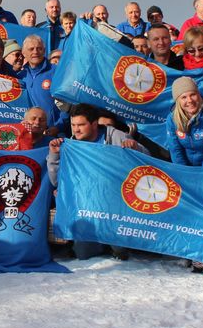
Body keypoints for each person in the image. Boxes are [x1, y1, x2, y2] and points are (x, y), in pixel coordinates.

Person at [47, 103, 145, 260]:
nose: (76, 130)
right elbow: (56, 181)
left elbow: (148, 163)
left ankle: (117, 245)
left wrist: (136, 149)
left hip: (114, 206)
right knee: (83, 254)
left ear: (94, 124)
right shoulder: (70, 145)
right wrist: (54, 155)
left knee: (121, 252)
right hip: (87, 207)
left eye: (81, 125)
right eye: (73, 125)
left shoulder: (115, 136)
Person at [165, 77, 203, 167]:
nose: (189, 100)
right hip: (187, 168)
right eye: (184, 97)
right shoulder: (172, 119)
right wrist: (184, 171)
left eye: (193, 94)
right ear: (178, 101)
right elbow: (175, 149)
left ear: (198, 94)